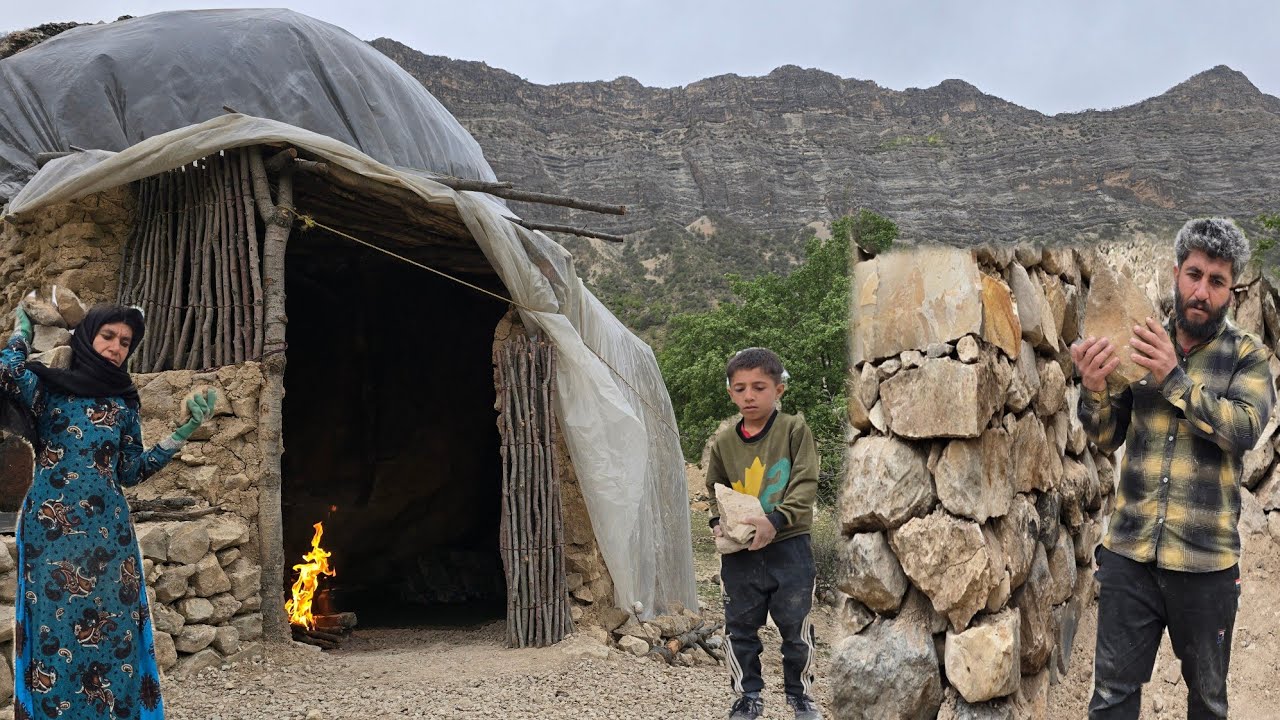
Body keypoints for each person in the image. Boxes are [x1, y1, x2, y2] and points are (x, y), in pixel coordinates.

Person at [1071, 217, 1274, 719]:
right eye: (1194, 274)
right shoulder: (1139, 339)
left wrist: (1173, 378)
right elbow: (1106, 437)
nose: (1202, 291)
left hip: (1206, 566)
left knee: (1207, 703)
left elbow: (1244, 429)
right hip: (1129, 556)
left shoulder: (1246, 356)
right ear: (1176, 272)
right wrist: (1094, 390)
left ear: (1233, 290)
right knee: (1111, 700)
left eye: (1217, 280)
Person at [1, 299, 217, 720]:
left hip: (109, 533)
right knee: (55, 627)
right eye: (108, 336)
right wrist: (21, 334)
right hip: (51, 531)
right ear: (88, 336)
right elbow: (7, 372)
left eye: (125, 342)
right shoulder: (49, 388)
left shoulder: (123, 403)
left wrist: (182, 432)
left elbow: (131, 471)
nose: (116, 347)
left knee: (114, 629)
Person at [705, 347, 821, 720]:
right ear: (730, 393)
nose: (749, 396)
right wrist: (717, 522)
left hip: (789, 545)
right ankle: (747, 696)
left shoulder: (793, 429)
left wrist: (777, 520)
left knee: (795, 625)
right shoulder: (725, 442)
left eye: (759, 387)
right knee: (739, 626)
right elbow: (715, 488)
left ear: (778, 389)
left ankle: (801, 696)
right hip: (741, 553)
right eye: (740, 389)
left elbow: (805, 481)